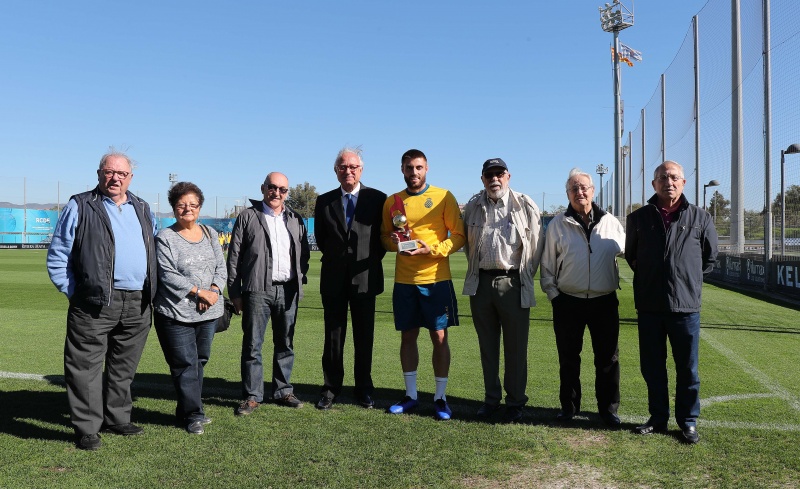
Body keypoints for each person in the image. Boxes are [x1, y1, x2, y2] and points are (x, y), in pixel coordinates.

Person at [46, 149, 156, 451]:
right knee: (84, 367)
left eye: (121, 173)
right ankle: (87, 428)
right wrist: (76, 293)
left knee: (124, 366)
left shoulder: (144, 208)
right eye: (109, 172)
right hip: (93, 302)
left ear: (131, 177)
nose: (115, 178)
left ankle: (118, 417)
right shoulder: (81, 205)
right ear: (99, 174)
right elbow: (58, 256)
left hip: (138, 301)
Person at [625, 160, 717, 444]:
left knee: (687, 368)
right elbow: (632, 257)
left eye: (675, 177)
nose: (669, 182)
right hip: (650, 306)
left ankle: (688, 422)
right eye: (663, 177)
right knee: (652, 366)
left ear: (684, 182)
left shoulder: (700, 217)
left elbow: (709, 258)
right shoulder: (638, 218)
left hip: (686, 308)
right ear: (654, 184)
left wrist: (683, 279)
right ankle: (658, 417)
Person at [381, 149, 466, 420]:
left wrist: (434, 249)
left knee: (439, 337)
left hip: (436, 280)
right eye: (409, 168)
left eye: (418, 167)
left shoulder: (443, 196)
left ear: (426, 168)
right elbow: (384, 238)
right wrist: (394, 243)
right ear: (402, 170)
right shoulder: (392, 202)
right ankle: (411, 395)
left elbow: (460, 236)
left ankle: (440, 398)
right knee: (408, 336)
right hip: (404, 282)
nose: (413, 173)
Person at [539, 168, 626, 428]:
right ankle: (569, 407)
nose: (580, 192)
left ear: (593, 191)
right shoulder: (557, 224)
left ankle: (608, 410)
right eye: (574, 189)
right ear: (568, 194)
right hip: (568, 301)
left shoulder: (611, 221)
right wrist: (555, 296)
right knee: (568, 358)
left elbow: (627, 253)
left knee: (608, 359)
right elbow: (547, 266)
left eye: (584, 187)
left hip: (604, 301)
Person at [462, 158, 545, 423]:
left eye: (499, 174)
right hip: (481, 284)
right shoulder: (473, 207)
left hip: (513, 282)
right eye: (489, 175)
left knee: (516, 348)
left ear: (508, 176)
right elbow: (467, 245)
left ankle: (515, 401)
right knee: (488, 348)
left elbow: (535, 247)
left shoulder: (525, 204)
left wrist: (522, 278)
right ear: (482, 178)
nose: (494, 179)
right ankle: (491, 399)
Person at [227, 172, 310, 415]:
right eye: (272, 187)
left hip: (288, 289)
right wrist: (235, 292)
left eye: (282, 190)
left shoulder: (295, 218)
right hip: (256, 289)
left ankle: (283, 390)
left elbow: (303, 254)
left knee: (285, 342)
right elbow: (234, 257)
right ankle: (253, 395)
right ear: (263, 188)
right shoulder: (247, 216)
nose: (277, 193)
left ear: (287, 193)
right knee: (253, 344)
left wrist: (299, 278)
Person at [313, 147, 387, 410]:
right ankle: (331, 388)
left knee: (364, 337)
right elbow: (322, 239)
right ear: (336, 170)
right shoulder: (324, 201)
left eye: (353, 167)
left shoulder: (378, 199)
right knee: (333, 337)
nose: (348, 171)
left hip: (366, 278)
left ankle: (364, 388)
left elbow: (383, 239)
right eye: (343, 167)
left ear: (361, 170)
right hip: (333, 279)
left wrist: (365, 259)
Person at [153, 182, 227, 435]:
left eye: (193, 205)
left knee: (199, 361)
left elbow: (221, 267)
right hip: (176, 313)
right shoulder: (165, 238)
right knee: (185, 364)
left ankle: (186, 409)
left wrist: (215, 291)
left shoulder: (209, 233)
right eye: (182, 205)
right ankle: (194, 414)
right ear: (174, 208)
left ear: (200, 207)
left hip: (208, 312)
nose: (188, 209)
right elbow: (167, 275)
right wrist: (199, 292)